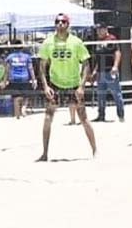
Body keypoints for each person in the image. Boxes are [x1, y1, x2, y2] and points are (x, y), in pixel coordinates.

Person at [37, 13, 97, 161]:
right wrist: (45, 86)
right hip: (55, 84)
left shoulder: (76, 42)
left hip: (73, 84)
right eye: (57, 22)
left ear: (68, 24)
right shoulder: (48, 42)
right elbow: (42, 66)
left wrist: (82, 86)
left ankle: (95, 150)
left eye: (63, 22)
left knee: (83, 118)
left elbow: (86, 64)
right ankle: (45, 153)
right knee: (47, 118)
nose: (60, 24)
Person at [91, 23, 125, 123]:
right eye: (97, 30)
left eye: (99, 29)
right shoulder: (98, 42)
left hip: (110, 71)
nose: (98, 32)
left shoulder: (111, 39)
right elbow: (99, 58)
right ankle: (101, 115)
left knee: (116, 94)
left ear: (105, 29)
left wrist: (115, 66)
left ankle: (121, 115)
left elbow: (117, 53)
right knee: (101, 95)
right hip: (100, 72)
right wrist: (94, 71)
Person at [0, 40, 37, 119]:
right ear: (22, 47)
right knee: (26, 96)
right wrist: (34, 80)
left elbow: (7, 70)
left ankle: (17, 115)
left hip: (14, 79)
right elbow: (31, 69)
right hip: (25, 78)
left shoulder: (10, 57)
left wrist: (4, 81)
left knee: (16, 98)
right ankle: (23, 107)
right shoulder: (27, 57)